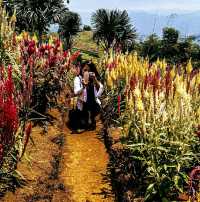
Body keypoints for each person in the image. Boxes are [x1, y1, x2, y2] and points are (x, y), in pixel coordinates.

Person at [81, 62, 104, 130]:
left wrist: (94, 78)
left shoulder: (95, 78)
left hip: (92, 100)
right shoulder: (80, 78)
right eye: (85, 70)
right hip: (83, 100)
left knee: (93, 107)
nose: (87, 72)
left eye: (88, 70)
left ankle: (92, 119)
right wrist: (83, 85)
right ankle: (84, 120)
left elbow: (100, 88)